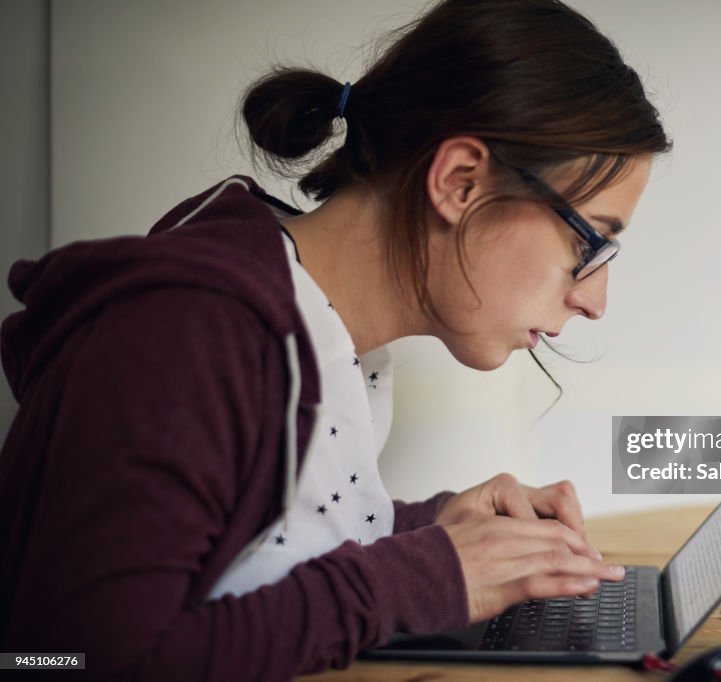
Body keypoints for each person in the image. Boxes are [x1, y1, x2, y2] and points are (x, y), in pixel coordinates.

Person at [0, 0, 670, 678]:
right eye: (591, 240)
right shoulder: (187, 335)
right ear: (461, 183)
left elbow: (244, 556)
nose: (594, 300)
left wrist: (430, 532)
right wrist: (421, 577)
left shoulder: (316, 332)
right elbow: (77, 661)